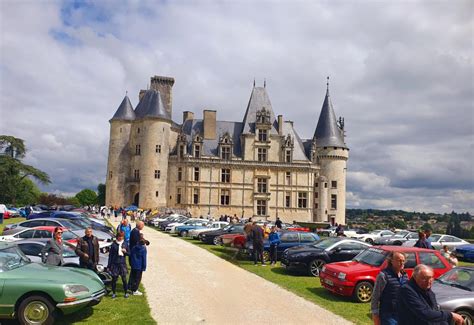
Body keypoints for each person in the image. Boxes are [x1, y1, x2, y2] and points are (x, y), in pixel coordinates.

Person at [397, 264, 464, 325]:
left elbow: (434, 312)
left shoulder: (427, 290)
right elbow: (425, 313)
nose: (428, 281)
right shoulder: (406, 290)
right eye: (424, 278)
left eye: (431, 278)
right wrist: (450, 315)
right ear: (414, 277)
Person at [371, 252, 408, 325]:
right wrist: (375, 315)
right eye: (399, 260)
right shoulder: (383, 276)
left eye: (403, 261)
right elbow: (375, 296)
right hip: (388, 315)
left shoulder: (405, 276)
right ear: (391, 261)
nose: (402, 263)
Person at [108, 231, 130, 298]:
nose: (120, 238)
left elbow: (129, 253)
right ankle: (114, 293)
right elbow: (110, 255)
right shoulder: (114, 244)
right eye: (119, 236)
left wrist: (125, 252)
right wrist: (109, 265)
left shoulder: (125, 244)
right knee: (114, 279)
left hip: (122, 263)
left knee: (124, 279)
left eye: (122, 236)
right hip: (115, 263)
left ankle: (126, 293)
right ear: (117, 237)